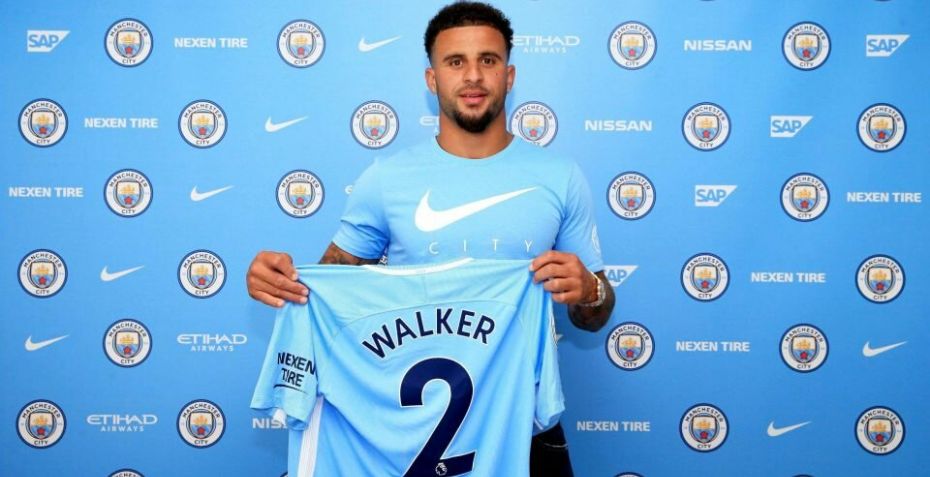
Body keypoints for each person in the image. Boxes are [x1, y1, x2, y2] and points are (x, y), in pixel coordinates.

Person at [246, 2, 616, 475]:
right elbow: (325, 293)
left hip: (523, 430)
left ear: (509, 76)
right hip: (410, 438)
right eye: (455, 61)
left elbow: (596, 314)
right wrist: (277, 280)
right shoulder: (386, 179)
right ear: (432, 78)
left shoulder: (560, 177)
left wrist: (590, 289)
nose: (473, 76)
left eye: (488, 60)